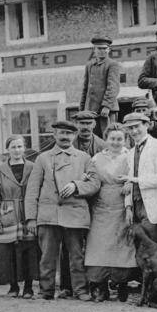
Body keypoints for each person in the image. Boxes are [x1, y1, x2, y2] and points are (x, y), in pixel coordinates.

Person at [24, 121, 101, 301]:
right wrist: (30, 218)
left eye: (69, 133)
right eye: (61, 133)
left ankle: (81, 290)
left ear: (74, 136)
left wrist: (76, 185)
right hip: (49, 214)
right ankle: (46, 291)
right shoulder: (43, 158)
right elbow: (32, 189)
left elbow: (95, 183)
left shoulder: (84, 158)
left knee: (77, 256)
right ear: (54, 136)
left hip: (75, 214)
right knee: (47, 257)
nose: (65, 136)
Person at [52, 110, 107, 299]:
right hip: (72, 202)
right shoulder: (67, 144)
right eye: (81, 123)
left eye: (89, 122)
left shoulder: (103, 146)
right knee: (69, 246)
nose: (85, 126)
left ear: (94, 124)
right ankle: (67, 286)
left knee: (95, 244)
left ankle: (96, 285)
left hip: (97, 202)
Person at [84, 123, 136, 303]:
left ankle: (122, 286)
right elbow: (90, 177)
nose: (116, 142)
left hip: (122, 205)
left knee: (121, 245)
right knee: (99, 245)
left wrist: (131, 183)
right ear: (106, 140)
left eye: (119, 139)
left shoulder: (130, 156)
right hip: (100, 206)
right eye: (112, 138)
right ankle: (102, 288)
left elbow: (137, 176)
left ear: (125, 139)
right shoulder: (97, 158)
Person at [0, 135, 40, 298]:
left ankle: (29, 288)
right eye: (13, 147)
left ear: (24, 148)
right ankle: (13, 287)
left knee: (29, 250)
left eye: (20, 147)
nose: (17, 150)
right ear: (7, 149)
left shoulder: (33, 167)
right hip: (8, 214)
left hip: (28, 212)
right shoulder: (0, 170)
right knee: (10, 251)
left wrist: (36, 216)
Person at [118, 112, 157, 246]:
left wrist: (136, 180)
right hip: (136, 207)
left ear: (147, 125)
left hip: (153, 206)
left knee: (153, 249)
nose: (134, 131)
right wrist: (129, 207)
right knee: (139, 249)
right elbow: (128, 180)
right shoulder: (130, 153)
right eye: (130, 128)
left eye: (137, 126)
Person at [80, 35, 120, 138]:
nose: (102, 51)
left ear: (109, 49)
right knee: (92, 138)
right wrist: (82, 109)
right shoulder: (89, 65)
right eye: (99, 48)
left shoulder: (112, 64)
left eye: (104, 48)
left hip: (106, 110)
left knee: (108, 137)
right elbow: (86, 88)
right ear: (94, 49)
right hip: (90, 110)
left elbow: (113, 87)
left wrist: (106, 106)